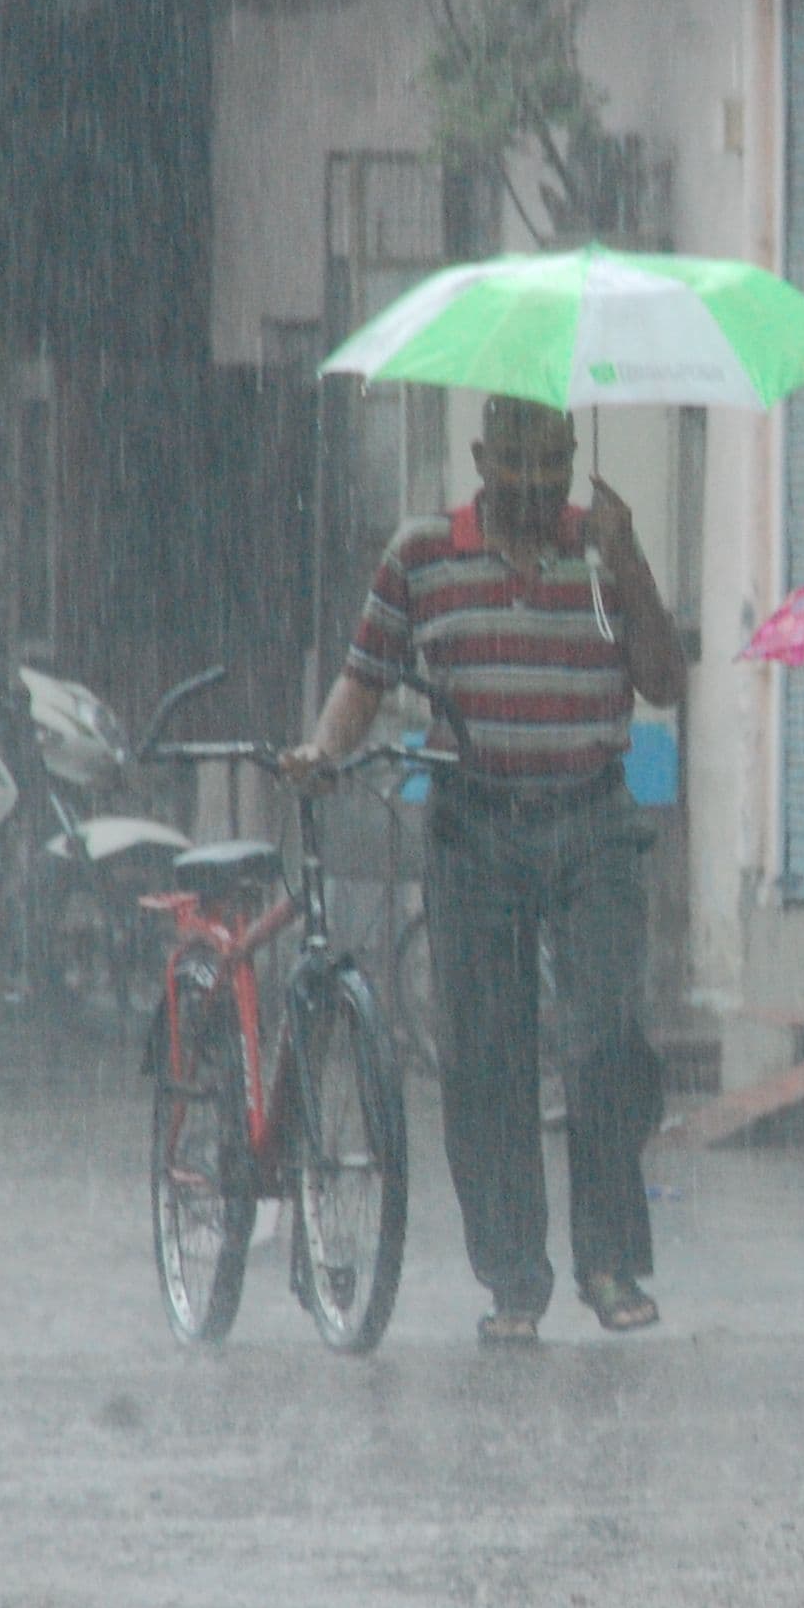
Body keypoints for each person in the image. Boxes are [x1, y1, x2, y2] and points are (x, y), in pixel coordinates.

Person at [285, 394, 685, 1346]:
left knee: (608, 1039)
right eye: (518, 468)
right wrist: (324, 749)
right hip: (474, 826)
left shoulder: (602, 547)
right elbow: (365, 673)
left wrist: (627, 564)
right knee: (486, 1060)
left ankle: (609, 1258)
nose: (540, 487)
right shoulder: (421, 554)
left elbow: (664, 679)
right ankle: (513, 1277)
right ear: (480, 459)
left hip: (590, 817)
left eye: (555, 465)